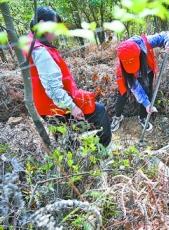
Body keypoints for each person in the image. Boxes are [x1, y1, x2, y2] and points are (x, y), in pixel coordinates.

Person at [28, 7, 111, 147]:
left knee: (65, 139)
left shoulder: (31, 44)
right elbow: (53, 88)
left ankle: (74, 161)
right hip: (56, 106)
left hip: (46, 106)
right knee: (100, 111)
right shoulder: (40, 51)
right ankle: (102, 150)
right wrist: (72, 107)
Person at [111, 32, 169, 132]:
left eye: (135, 67)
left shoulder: (146, 42)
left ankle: (143, 117)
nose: (135, 71)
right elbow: (135, 88)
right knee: (122, 93)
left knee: (147, 90)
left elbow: (167, 34)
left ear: (140, 55)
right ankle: (118, 116)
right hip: (127, 76)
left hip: (146, 71)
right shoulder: (122, 66)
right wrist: (146, 103)